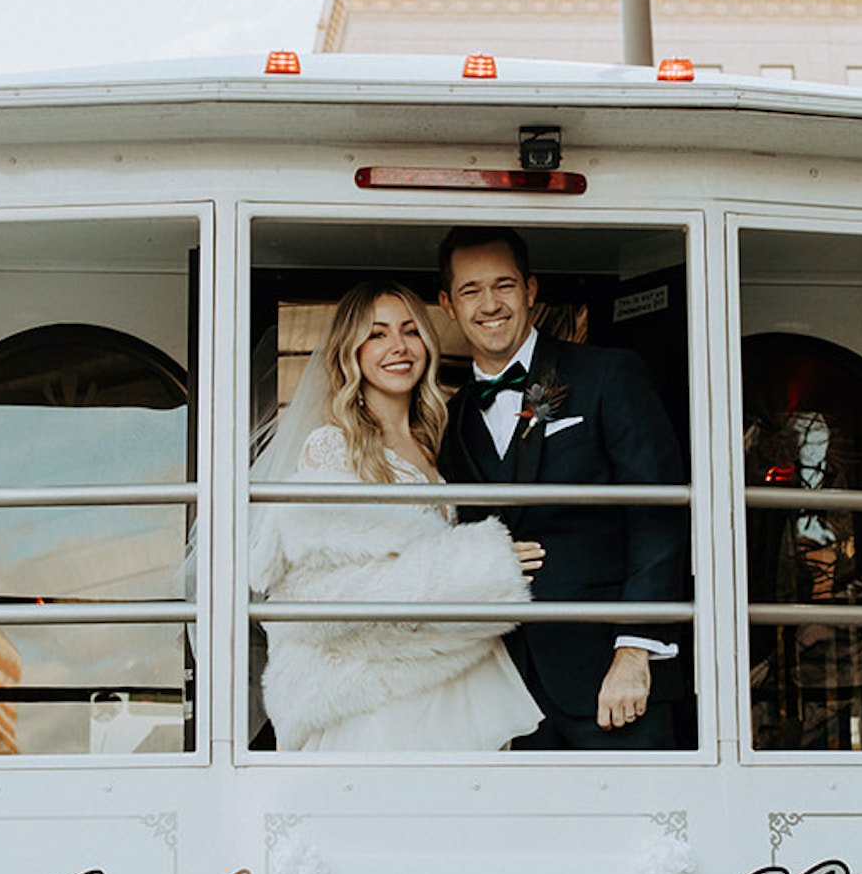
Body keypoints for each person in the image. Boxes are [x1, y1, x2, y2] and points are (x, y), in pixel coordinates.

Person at [250, 284, 543, 753]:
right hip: (379, 695)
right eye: (378, 335)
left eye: (410, 331)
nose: (399, 347)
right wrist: (483, 567)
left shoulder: (434, 440)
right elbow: (323, 595)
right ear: (352, 351)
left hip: (455, 678)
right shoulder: (332, 446)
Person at [438, 228, 689, 749]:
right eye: (470, 290)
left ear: (531, 290)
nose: (490, 304)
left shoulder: (606, 374)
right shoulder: (452, 418)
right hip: (500, 689)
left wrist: (635, 650)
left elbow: (659, 514)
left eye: (504, 285)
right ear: (447, 304)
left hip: (609, 681)